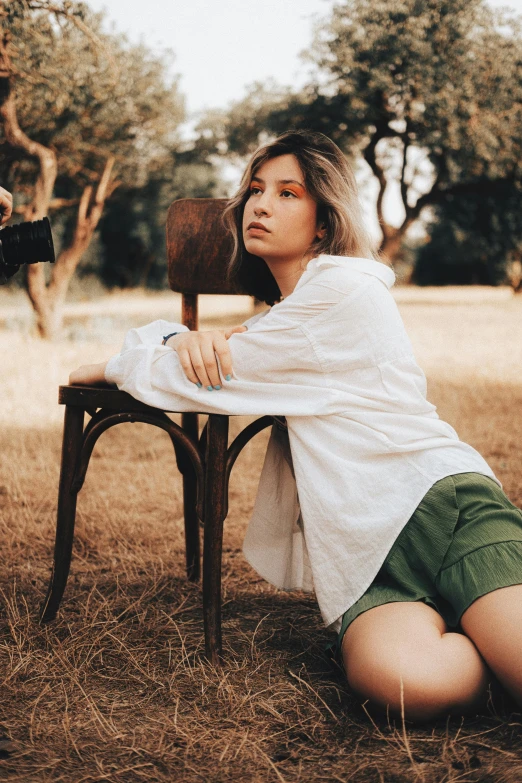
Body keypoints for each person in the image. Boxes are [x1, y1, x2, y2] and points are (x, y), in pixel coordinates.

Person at [69, 130, 522, 723]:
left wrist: (114, 363)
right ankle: (484, 625)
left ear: (323, 223)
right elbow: (216, 357)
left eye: (288, 193)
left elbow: (189, 376)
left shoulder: (338, 293)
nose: (259, 205)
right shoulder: (286, 318)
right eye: (256, 189)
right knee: (408, 685)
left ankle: (492, 613)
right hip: (365, 551)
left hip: (442, 507)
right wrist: (181, 338)